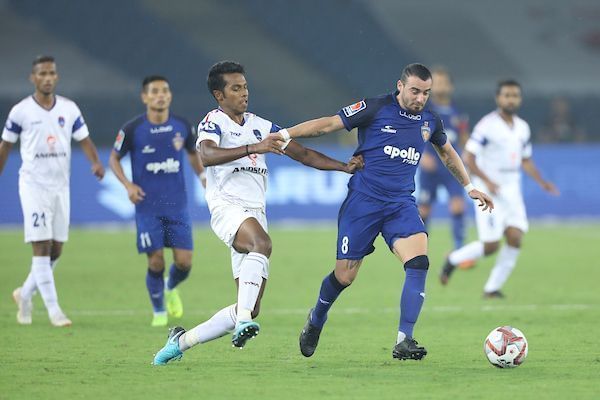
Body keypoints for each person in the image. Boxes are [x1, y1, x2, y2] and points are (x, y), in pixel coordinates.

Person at [275, 63, 494, 360]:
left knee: (418, 262)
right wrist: (286, 133)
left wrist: (469, 187)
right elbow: (328, 124)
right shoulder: (375, 107)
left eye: (426, 93)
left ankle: (405, 339)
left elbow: (447, 152)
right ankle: (316, 319)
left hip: (400, 204)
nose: (420, 99)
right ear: (400, 86)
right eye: (415, 91)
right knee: (344, 277)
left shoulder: (430, 120)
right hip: (363, 202)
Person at [152, 61, 364, 365]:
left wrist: (343, 167)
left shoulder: (261, 125)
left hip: (255, 212)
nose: (244, 93)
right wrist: (256, 148)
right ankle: (241, 323)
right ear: (219, 95)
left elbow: (302, 153)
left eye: (245, 86)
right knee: (262, 245)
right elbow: (207, 155)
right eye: (235, 88)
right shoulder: (213, 122)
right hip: (226, 206)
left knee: (251, 307)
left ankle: (181, 341)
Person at [0, 55, 105, 327]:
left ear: (56, 77)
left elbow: (84, 139)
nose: (47, 78)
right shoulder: (21, 111)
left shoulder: (69, 109)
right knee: (42, 247)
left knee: (56, 249)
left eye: (51, 73)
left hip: (61, 186)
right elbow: (5, 146)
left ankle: (24, 293)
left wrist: (95, 162)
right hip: (34, 186)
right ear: (33, 78)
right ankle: (54, 310)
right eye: (42, 73)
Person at [440, 80, 559, 297]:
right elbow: (469, 157)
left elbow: (526, 160)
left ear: (519, 99)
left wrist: (542, 182)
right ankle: (452, 259)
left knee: (515, 236)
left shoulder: (523, 127)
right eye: (506, 95)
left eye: (514, 95)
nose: (510, 99)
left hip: (512, 187)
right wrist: (487, 181)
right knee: (491, 245)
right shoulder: (487, 125)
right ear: (498, 98)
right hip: (489, 188)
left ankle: (492, 288)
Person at [109, 75, 205, 327]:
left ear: (170, 95)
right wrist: (128, 185)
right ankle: (159, 312)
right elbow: (113, 159)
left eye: (164, 90)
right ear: (145, 97)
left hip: (178, 205)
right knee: (156, 261)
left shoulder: (182, 126)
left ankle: (170, 287)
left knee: (184, 263)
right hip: (147, 207)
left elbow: (193, 154)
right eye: (154, 91)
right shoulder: (132, 129)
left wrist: (204, 177)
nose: (160, 95)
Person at [418, 67, 470, 251]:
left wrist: (466, 155)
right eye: (436, 82)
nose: (440, 86)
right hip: (430, 166)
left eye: (443, 82)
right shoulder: (424, 109)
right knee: (423, 209)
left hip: (451, 169)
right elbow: (412, 134)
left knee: (457, 206)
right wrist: (421, 155)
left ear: (450, 86)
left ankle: (459, 249)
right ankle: (418, 248)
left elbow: (464, 136)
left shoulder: (458, 111)